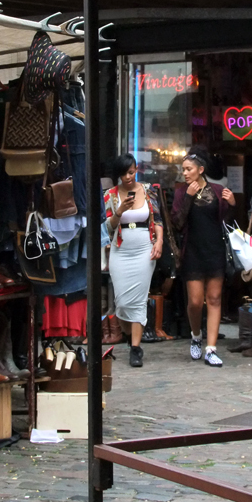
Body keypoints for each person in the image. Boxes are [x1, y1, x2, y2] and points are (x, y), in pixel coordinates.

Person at [171, 149, 234, 367]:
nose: (185, 173)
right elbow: (177, 223)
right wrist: (188, 196)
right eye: (183, 170)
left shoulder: (217, 191)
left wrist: (232, 204)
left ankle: (211, 348)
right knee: (196, 302)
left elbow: (225, 221)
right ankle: (196, 335)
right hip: (193, 251)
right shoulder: (181, 192)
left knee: (215, 299)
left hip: (215, 250)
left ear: (201, 170)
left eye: (189, 169)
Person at [104, 154, 162, 368]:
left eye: (131, 172)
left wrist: (160, 242)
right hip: (121, 249)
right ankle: (130, 337)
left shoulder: (148, 191)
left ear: (136, 169)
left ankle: (136, 348)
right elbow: (109, 226)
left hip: (143, 249)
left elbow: (158, 218)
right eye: (123, 174)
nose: (128, 177)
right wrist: (120, 210)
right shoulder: (110, 195)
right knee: (121, 302)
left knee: (138, 301)